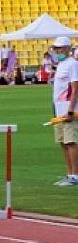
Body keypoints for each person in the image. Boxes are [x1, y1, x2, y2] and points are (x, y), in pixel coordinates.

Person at [49, 36, 78, 186]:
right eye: (56, 48)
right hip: (59, 110)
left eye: (60, 48)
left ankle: (75, 175)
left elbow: (75, 89)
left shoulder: (72, 64)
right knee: (63, 142)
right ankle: (69, 174)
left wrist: (71, 111)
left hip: (68, 110)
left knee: (70, 141)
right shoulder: (61, 64)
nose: (57, 51)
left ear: (68, 49)